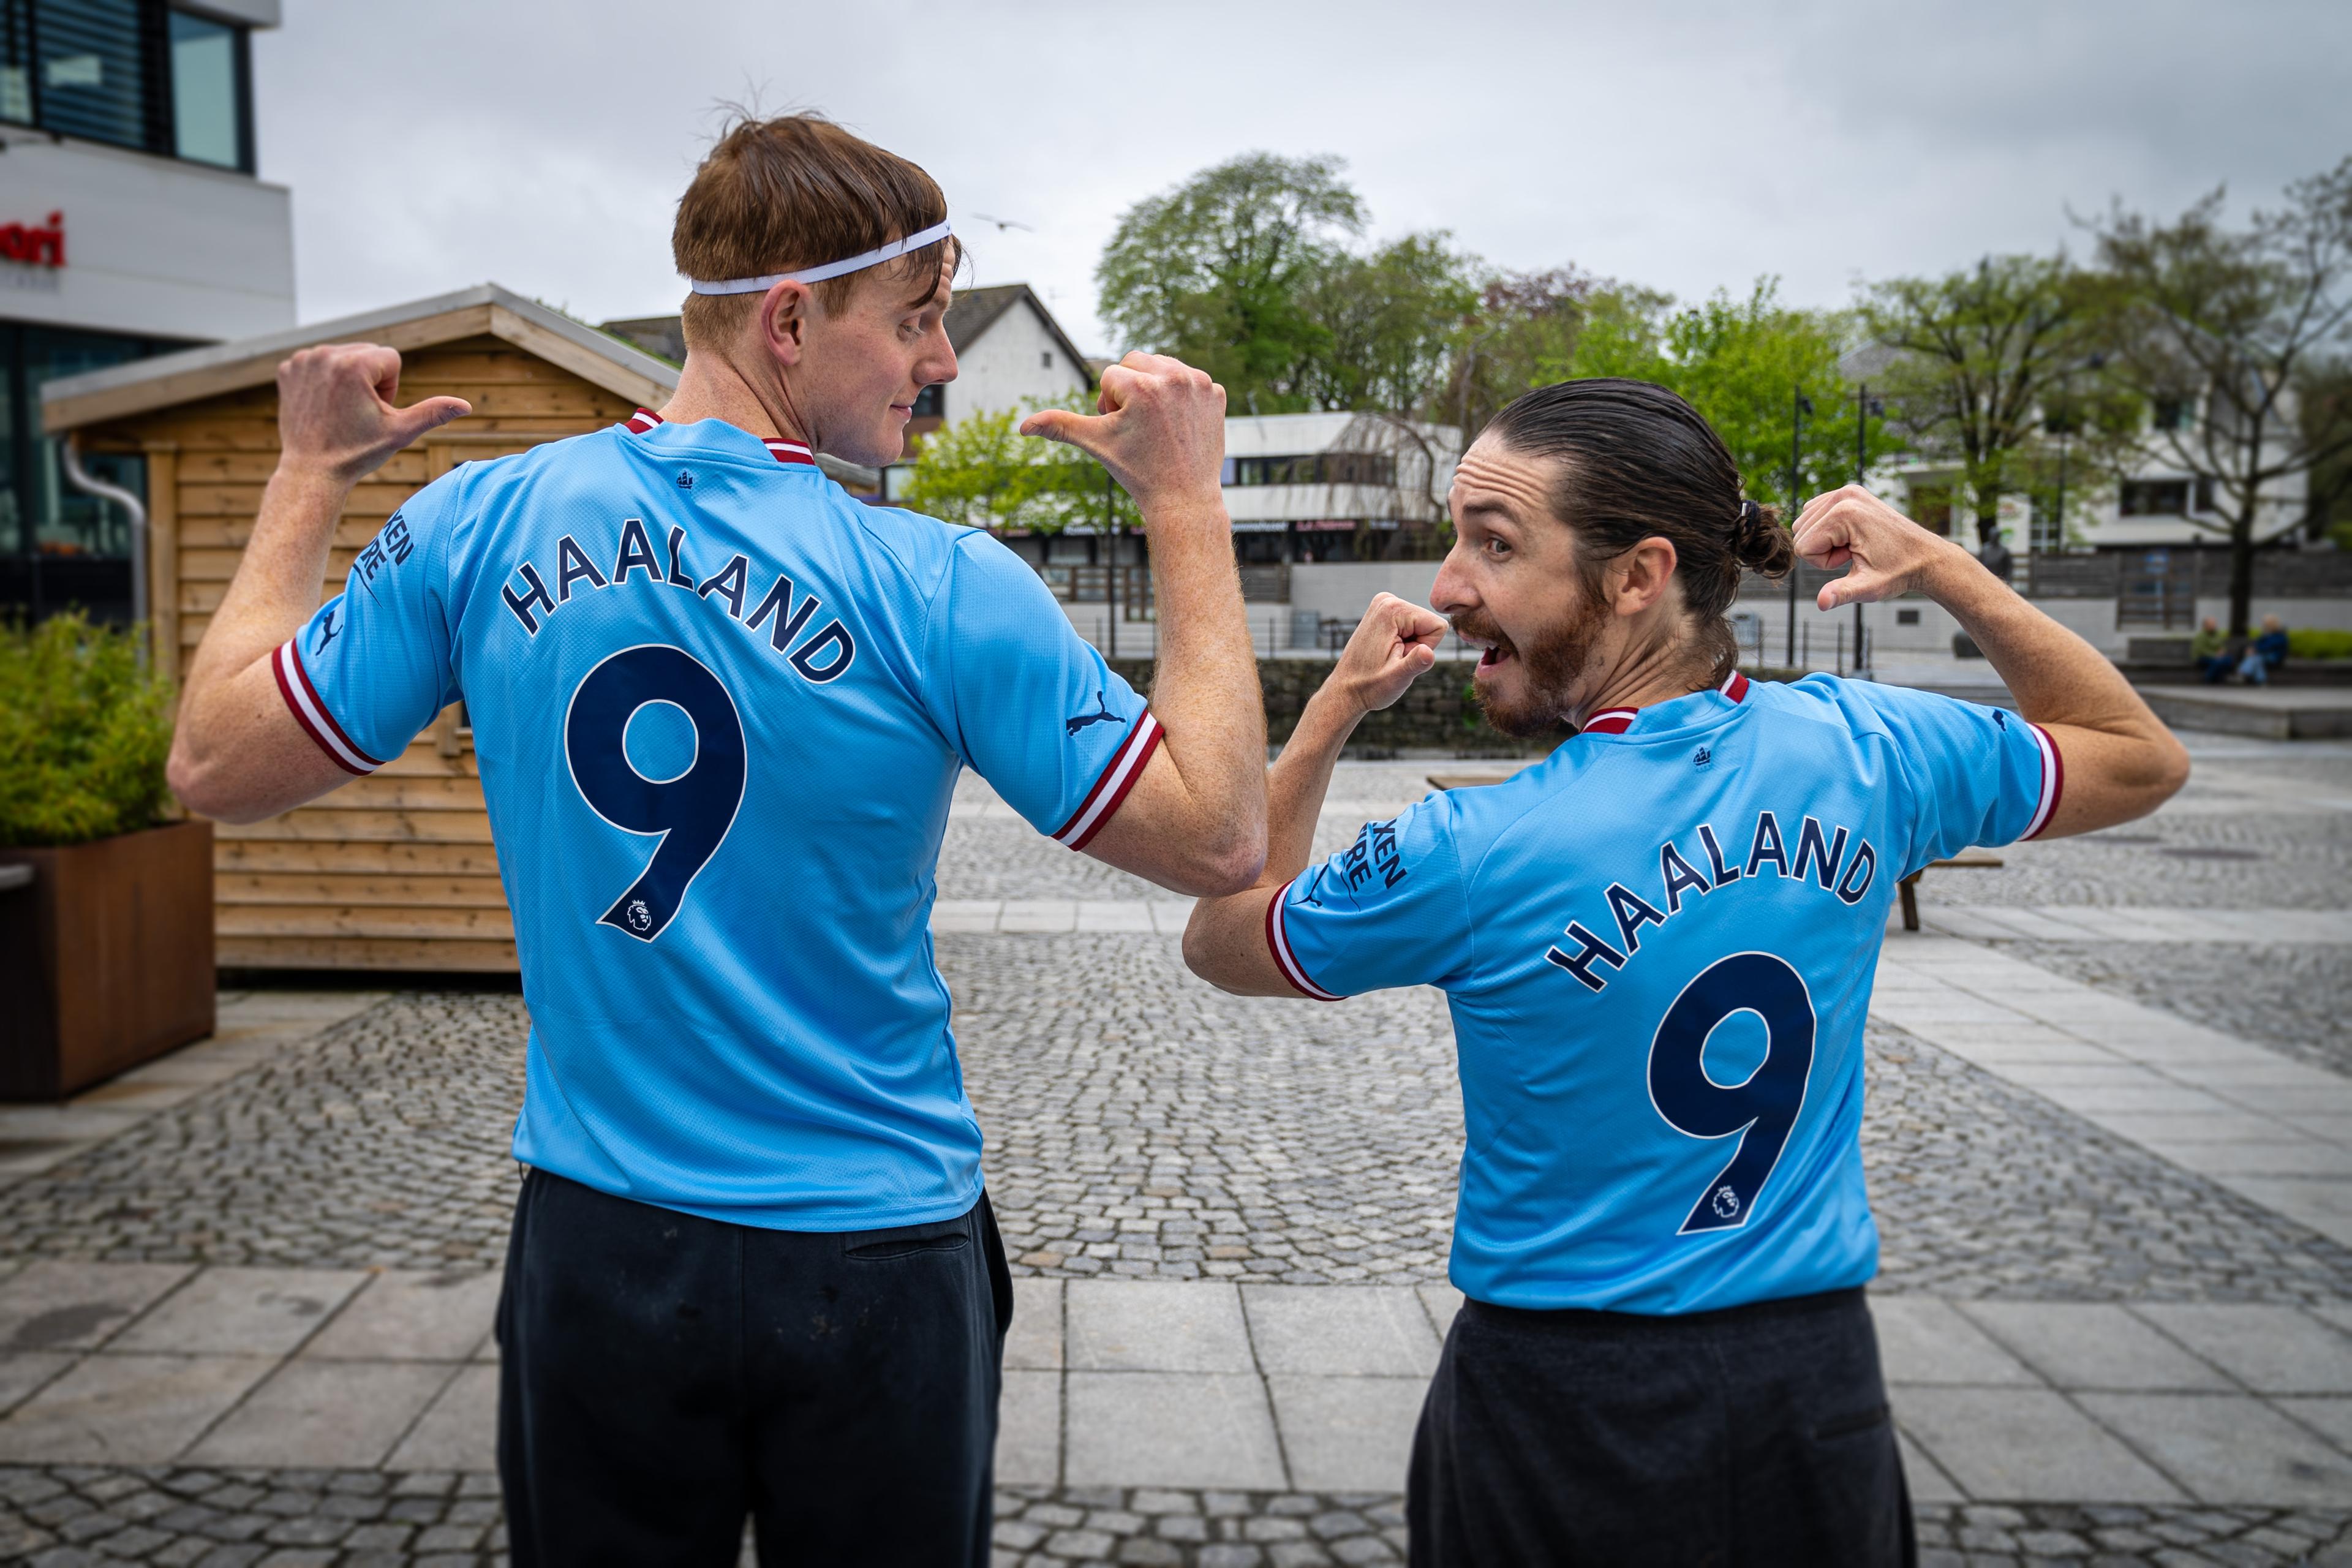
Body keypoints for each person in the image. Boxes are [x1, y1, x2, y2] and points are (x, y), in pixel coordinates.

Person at [166, 113, 1268, 1566]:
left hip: (602, 1247)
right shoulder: (938, 580)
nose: (940, 364)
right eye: (919, 321)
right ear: (792, 317)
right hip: (877, 1249)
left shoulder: (481, 521)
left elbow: (213, 762)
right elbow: (1217, 833)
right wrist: (1184, 502)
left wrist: (309, 471)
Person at [1183, 379, 2190, 1566]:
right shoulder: (1871, 752)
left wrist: (1336, 709)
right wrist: (1944, 570)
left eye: (1494, 544)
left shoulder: (1475, 848)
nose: (1450, 585)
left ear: (1637, 575)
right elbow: (2140, 754)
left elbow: (1225, 935)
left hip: (1560, 1403)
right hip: (1815, 1391)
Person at [2193, 614, 2230, 682]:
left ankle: (2218, 678)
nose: (2214, 625)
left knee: (2228, 660)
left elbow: (2222, 645)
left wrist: (2222, 651)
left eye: (2214, 624)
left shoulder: (2217, 634)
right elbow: (2201, 650)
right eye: (2212, 624)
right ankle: (2208, 678)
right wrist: (2215, 655)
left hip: (2217, 657)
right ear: (2206, 625)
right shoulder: (2201, 636)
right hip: (2203, 657)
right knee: (2217, 662)